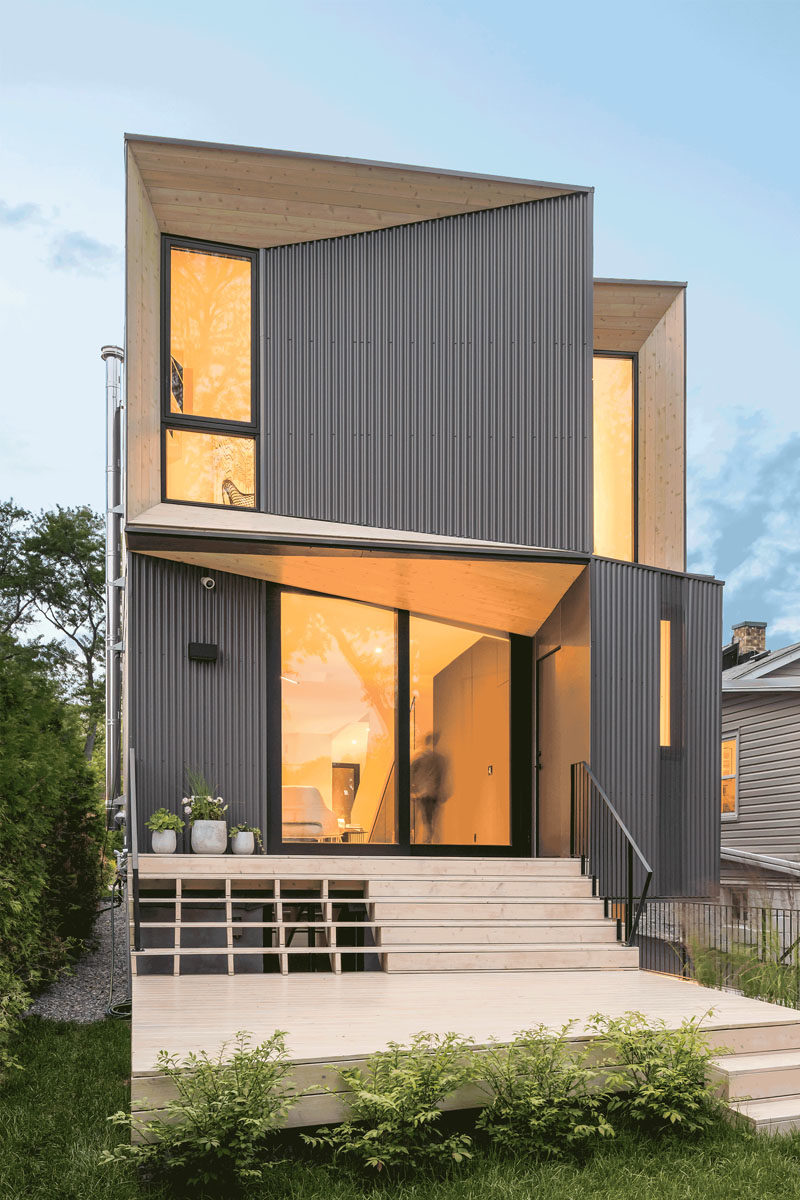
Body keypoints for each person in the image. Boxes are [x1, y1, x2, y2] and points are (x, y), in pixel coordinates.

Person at [410, 732, 451, 845]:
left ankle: (423, 843)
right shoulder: (440, 758)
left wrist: (412, 789)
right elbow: (442, 777)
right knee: (430, 820)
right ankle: (428, 843)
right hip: (432, 793)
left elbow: (411, 772)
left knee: (423, 820)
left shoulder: (420, 757)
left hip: (423, 793)